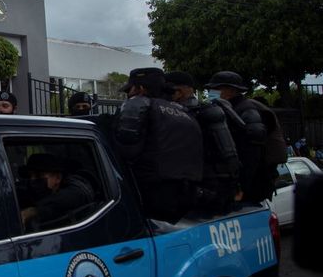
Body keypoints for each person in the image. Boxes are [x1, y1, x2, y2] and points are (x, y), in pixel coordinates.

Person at [114, 67, 203, 222]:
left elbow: (124, 153)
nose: (129, 95)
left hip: (150, 196)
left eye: (131, 89)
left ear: (140, 89)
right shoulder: (185, 113)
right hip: (187, 197)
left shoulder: (138, 105)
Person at [204, 71, 287, 203]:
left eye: (215, 89)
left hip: (252, 185)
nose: (210, 92)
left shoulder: (246, 110)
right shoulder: (230, 108)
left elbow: (252, 154)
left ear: (231, 90)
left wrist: (241, 187)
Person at [165, 71, 240, 214]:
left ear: (178, 92)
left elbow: (229, 154)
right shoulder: (206, 111)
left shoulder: (203, 113)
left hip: (210, 187)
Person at [18, 153, 95, 232]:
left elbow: (70, 197)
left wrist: (32, 211)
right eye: (29, 176)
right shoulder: (27, 191)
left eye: (39, 175)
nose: (32, 180)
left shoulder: (74, 192)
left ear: (58, 178)